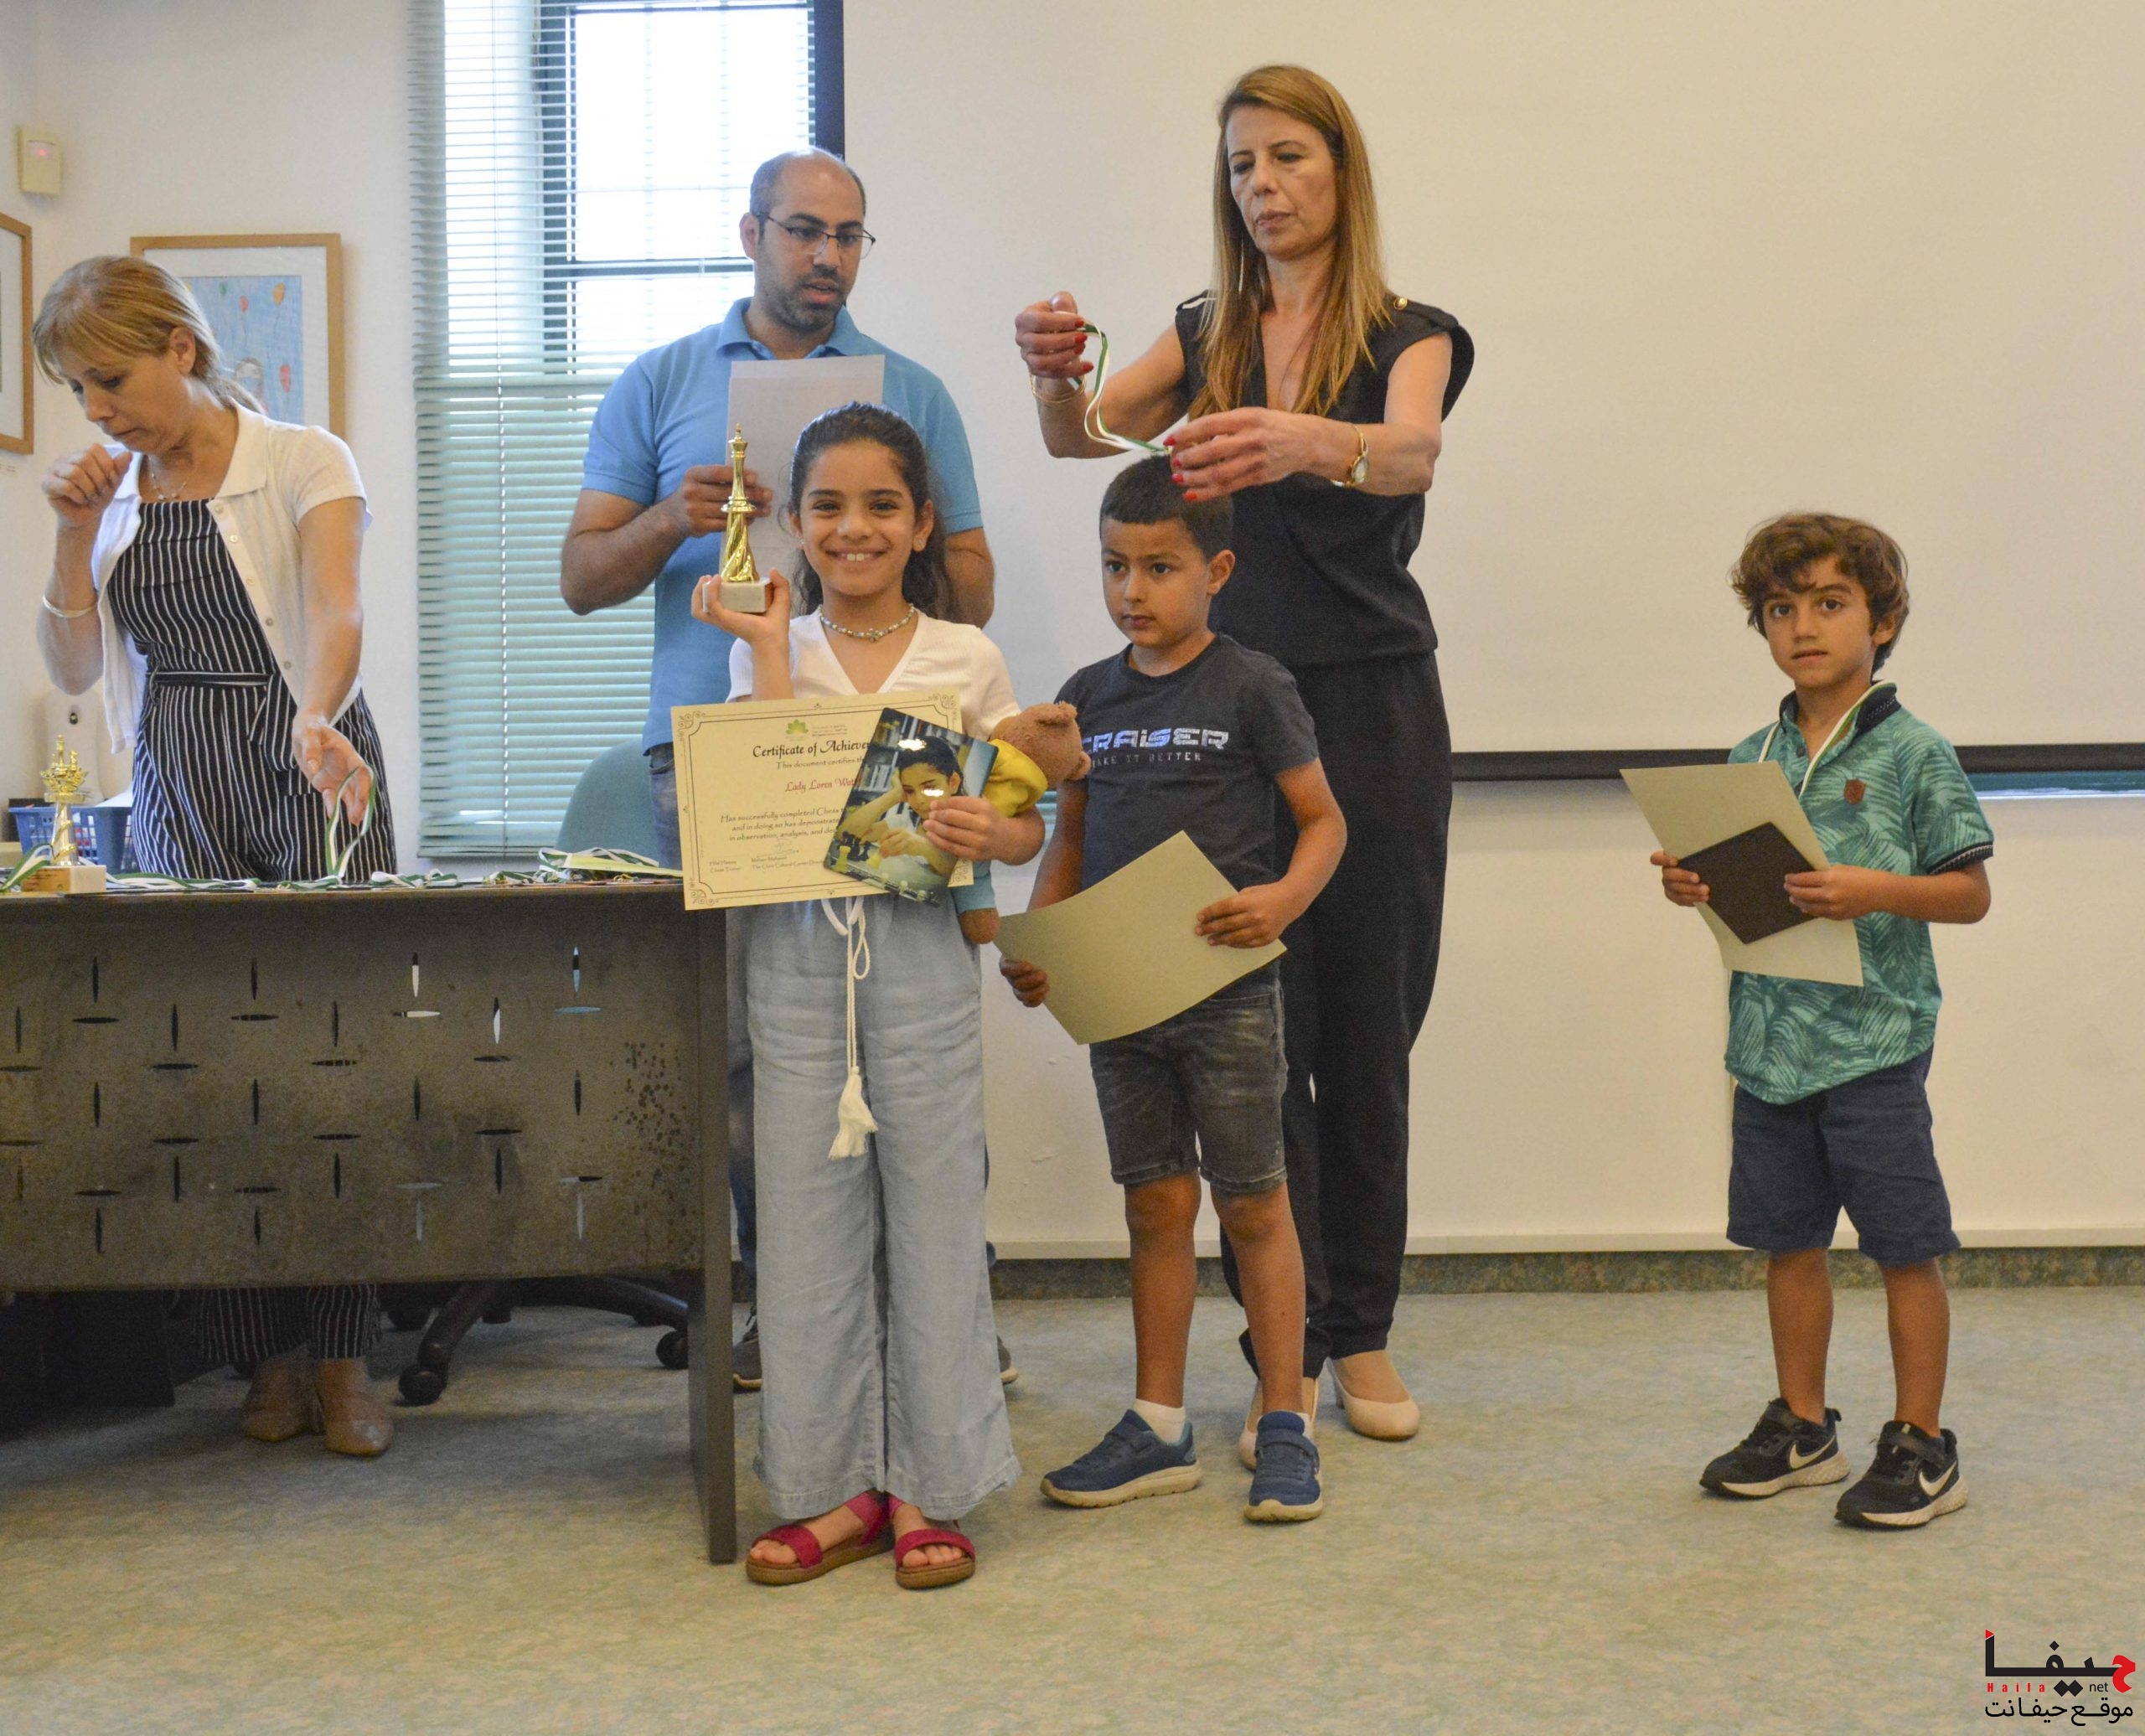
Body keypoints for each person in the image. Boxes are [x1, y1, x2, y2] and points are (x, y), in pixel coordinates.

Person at [1013, 65, 1474, 1453]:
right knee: (1253, 1035)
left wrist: (1299, 440)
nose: (1263, 186)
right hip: (1227, 712)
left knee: (1368, 1037)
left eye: (1288, 158)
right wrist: (1053, 380)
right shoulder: (1205, 330)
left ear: (1342, 171)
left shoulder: (1412, 332)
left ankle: (1363, 1327)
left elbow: (1411, 454)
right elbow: (1083, 437)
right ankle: (1295, 1339)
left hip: (1372, 706)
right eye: (1241, 166)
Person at [561, 147, 996, 1387]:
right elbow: (580, 579)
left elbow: (974, 585)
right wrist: (676, 517)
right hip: (715, 754)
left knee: (912, 1038)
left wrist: (868, 539)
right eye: (805, 231)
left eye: (850, 237)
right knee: (759, 1046)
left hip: (887, 743)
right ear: (752, 233)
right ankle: (788, 1308)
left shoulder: (911, 391)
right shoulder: (661, 380)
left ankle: (943, 1309)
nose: (827, 257)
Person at [32, 255, 397, 1457]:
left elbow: (336, 608)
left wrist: (318, 715)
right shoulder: (113, 494)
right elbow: (74, 669)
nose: (100, 410)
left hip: (307, 756)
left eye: (111, 379)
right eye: (79, 391)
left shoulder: (302, 457)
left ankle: (344, 1352)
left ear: (180, 349)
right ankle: (266, 1354)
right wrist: (73, 536)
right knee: (218, 1065)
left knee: (333, 1061)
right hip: (180, 772)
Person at [699, 403, 1036, 1588]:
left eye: (882, 505)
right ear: (793, 523)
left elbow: (1027, 820)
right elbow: (757, 808)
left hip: (923, 962)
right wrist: (769, 648)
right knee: (803, 1229)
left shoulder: (966, 657)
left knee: (936, 1225)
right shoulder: (765, 646)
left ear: (924, 522)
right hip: (795, 966)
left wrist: (993, 828)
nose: (855, 528)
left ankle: (932, 1486)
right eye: (829, 507)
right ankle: (830, 1488)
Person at [1003, 458, 1345, 1522]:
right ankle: (1157, 1421)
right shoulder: (1086, 696)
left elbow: (1323, 821)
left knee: (1253, 1203)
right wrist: (1041, 939)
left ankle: (1283, 1417)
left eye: (1159, 567)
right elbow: (1070, 832)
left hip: (1226, 987)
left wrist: (1282, 900)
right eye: (1115, 566)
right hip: (1122, 993)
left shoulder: (1252, 684)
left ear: (1217, 571)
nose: (1132, 590)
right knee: (1153, 1202)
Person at [1653, 513, 1992, 1529]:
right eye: (1779, 608)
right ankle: (1803, 1424)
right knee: (1786, 1241)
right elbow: (1741, 897)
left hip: (1875, 1044)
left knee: (1903, 1245)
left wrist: (1873, 889)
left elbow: (1969, 893)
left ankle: (1922, 1441)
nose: (1801, 626)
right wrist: (1691, 883)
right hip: (1768, 1047)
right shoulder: (1748, 755)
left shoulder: (1914, 751)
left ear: (1880, 622)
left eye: (1829, 603)